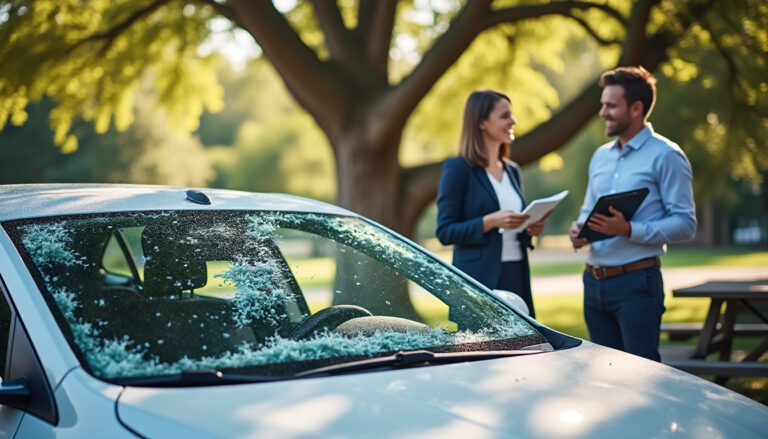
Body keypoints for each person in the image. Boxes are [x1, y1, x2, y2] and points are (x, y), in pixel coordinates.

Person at [569, 66, 696, 361]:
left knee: (643, 376)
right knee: (605, 376)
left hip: (636, 285)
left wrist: (629, 230)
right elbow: (588, 209)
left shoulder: (667, 155)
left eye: (611, 105)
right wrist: (580, 232)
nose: (602, 112)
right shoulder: (600, 156)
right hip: (593, 283)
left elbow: (686, 223)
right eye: (603, 104)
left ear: (637, 108)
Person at [437, 90, 549, 318]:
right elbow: (445, 231)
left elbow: (514, 227)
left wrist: (530, 228)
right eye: (505, 115)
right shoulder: (458, 169)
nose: (513, 121)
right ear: (482, 122)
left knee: (525, 348)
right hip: (478, 279)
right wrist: (489, 222)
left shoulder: (513, 170)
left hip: (516, 273)